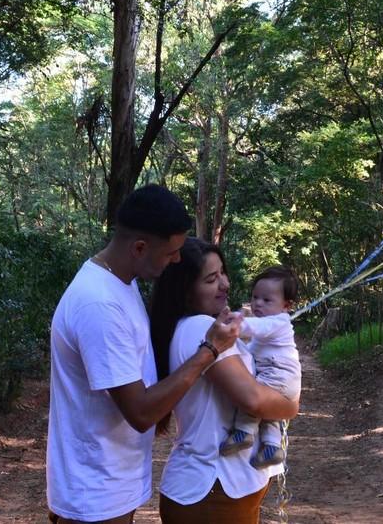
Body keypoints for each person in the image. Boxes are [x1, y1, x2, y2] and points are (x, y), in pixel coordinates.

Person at [46, 185, 242, 524]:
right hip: (95, 494)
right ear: (139, 247)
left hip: (111, 483)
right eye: (171, 253)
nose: (178, 260)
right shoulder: (100, 304)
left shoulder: (121, 282)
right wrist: (209, 350)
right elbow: (139, 411)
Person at [149, 239, 300, 523]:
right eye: (211, 279)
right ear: (186, 291)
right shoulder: (201, 329)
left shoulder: (205, 327)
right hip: (211, 489)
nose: (225, 284)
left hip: (222, 488)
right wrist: (290, 405)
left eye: (223, 273)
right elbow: (253, 400)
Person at [218, 265, 301, 469]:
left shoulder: (278, 321)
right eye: (255, 297)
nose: (257, 304)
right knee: (270, 412)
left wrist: (236, 324)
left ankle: (244, 431)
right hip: (285, 381)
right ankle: (272, 447)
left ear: (286, 305)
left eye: (266, 300)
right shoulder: (272, 324)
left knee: (254, 395)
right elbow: (251, 347)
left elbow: (255, 328)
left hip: (278, 375)